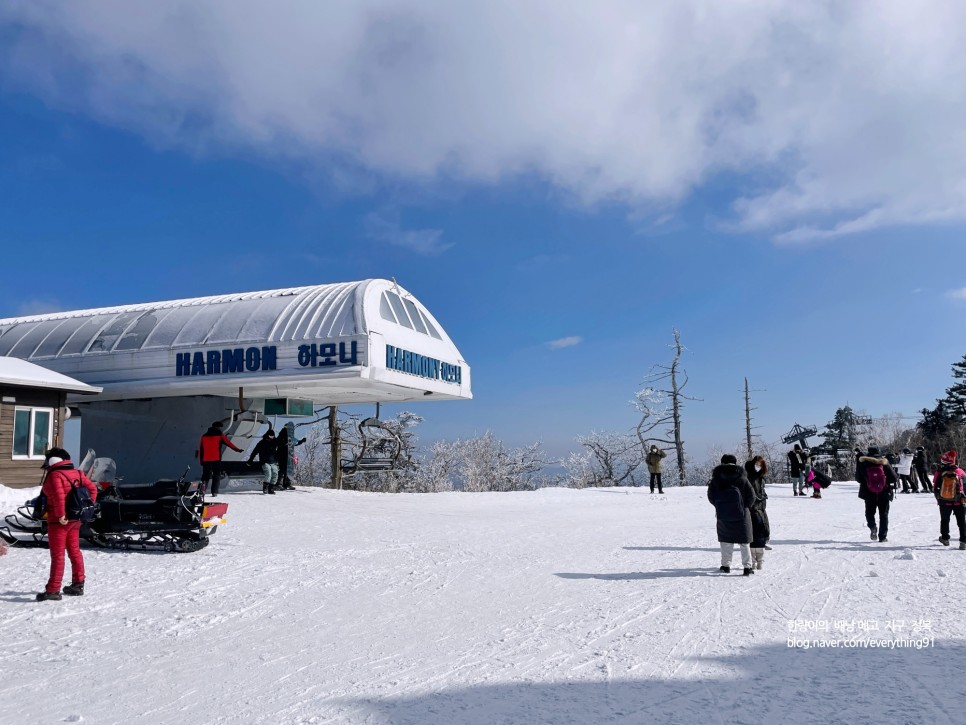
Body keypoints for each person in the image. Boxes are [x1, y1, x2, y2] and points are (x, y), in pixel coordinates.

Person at [36, 448, 98, 601]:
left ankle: (53, 590)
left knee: (58, 555)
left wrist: (61, 514)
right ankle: (78, 584)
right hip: (75, 519)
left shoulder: (55, 475)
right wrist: (86, 509)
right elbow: (93, 489)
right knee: (75, 551)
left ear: (51, 461)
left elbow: (58, 496)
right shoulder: (77, 473)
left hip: (59, 521)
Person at [708, 454, 756, 575]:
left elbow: (711, 496)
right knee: (744, 542)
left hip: (723, 513)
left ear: (722, 463)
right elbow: (752, 496)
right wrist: (744, 507)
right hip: (742, 514)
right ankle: (747, 567)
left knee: (725, 540)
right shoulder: (742, 477)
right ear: (735, 463)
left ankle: (725, 566)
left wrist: (720, 506)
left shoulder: (716, 479)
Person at [855, 446, 897, 543]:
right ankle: (882, 537)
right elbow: (894, 478)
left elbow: (858, 479)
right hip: (884, 492)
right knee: (884, 514)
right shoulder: (884, 462)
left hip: (868, 493)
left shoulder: (863, 463)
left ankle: (872, 527)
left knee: (869, 513)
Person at [198, 421, 243, 497]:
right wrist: (237, 450)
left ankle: (202, 490)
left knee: (205, 476)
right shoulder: (220, 435)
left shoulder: (204, 436)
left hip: (206, 459)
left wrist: (201, 461)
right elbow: (229, 443)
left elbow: (201, 449)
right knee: (216, 475)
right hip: (216, 459)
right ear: (218, 427)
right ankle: (214, 492)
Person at [933, 450, 966, 549]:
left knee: (944, 520)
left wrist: (938, 498)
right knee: (961, 522)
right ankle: (963, 542)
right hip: (959, 501)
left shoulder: (939, 472)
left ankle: (945, 538)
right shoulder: (960, 471)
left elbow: (935, 485)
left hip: (944, 501)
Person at [744, 455, 770, 570]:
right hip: (753, 509)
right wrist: (757, 499)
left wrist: (763, 496)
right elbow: (749, 492)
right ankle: (754, 561)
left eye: (761, 465)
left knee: (761, 532)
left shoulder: (760, 477)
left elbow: (760, 490)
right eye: (757, 464)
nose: (759, 467)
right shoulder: (749, 476)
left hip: (761, 508)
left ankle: (759, 560)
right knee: (755, 533)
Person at [249, 429, 280, 495]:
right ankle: (265, 488)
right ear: (267, 435)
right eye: (270, 436)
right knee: (268, 473)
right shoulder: (262, 443)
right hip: (264, 461)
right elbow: (255, 451)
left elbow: (282, 443)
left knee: (275, 473)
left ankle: (271, 488)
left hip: (273, 461)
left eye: (273, 436)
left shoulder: (275, 442)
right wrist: (250, 460)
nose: (271, 437)